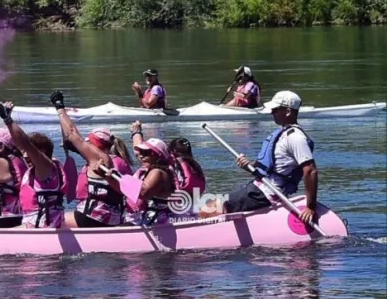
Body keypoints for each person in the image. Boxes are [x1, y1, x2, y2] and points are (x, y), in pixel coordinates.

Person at [203, 91, 320, 225]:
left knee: (207, 207)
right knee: (208, 203)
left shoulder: (295, 137)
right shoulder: (285, 134)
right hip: (259, 189)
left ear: (288, 111)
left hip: (264, 193)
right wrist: (249, 165)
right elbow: (274, 169)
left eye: (275, 110)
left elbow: (310, 171)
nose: (272, 113)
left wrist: (310, 207)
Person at [50, 91, 135, 228]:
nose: (86, 145)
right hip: (113, 218)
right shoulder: (120, 160)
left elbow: (72, 133)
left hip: (93, 218)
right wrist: (75, 149)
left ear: (96, 145)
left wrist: (59, 107)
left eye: (89, 143)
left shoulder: (100, 158)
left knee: (53, 219)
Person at [0, 102, 65, 228]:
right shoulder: (38, 168)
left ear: (42, 152)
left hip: (42, 231)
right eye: (23, 152)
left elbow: (26, 143)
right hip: (33, 225)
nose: (25, 155)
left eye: (28, 152)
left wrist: (8, 119)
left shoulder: (46, 168)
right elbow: (21, 143)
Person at [125, 122, 176, 225]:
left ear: (158, 156)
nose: (141, 156)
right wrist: (136, 133)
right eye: (141, 153)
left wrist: (119, 179)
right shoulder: (155, 167)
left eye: (146, 153)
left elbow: (142, 193)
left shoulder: (158, 172)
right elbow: (138, 152)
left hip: (159, 222)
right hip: (149, 218)